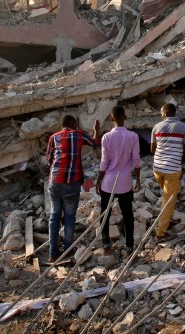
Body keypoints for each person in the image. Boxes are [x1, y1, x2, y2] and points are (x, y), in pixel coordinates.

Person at [45, 115, 99, 262]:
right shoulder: (79, 134)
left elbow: (49, 160)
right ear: (73, 124)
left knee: (54, 216)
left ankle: (52, 253)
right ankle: (67, 249)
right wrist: (96, 131)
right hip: (71, 183)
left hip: (54, 182)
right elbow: (95, 143)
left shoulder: (54, 137)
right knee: (69, 217)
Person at [96, 106, 141, 254]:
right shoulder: (133, 136)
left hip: (108, 182)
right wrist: (138, 180)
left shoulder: (106, 137)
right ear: (125, 117)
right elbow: (136, 160)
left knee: (105, 214)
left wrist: (98, 180)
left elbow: (104, 161)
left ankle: (106, 245)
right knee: (128, 215)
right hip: (125, 183)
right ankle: (129, 247)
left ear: (111, 118)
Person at [151, 103, 185, 243]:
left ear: (166, 113)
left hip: (157, 169)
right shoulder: (183, 127)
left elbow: (152, 149)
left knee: (168, 197)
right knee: (168, 200)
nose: (161, 115)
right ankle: (160, 234)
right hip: (172, 170)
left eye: (162, 113)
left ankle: (167, 220)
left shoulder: (156, 127)